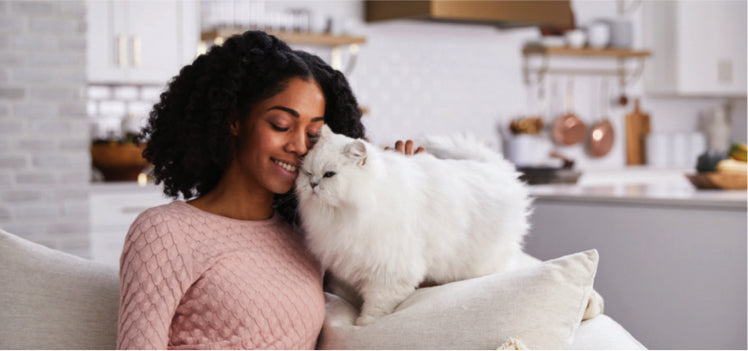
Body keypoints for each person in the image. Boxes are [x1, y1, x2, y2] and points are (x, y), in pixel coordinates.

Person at [117, 30, 419, 349]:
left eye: (314, 135)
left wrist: (401, 199)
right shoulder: (165, 234)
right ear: (234, 120)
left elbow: (397, 283)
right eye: (281, 126)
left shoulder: (309, 238)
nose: (300, 146)